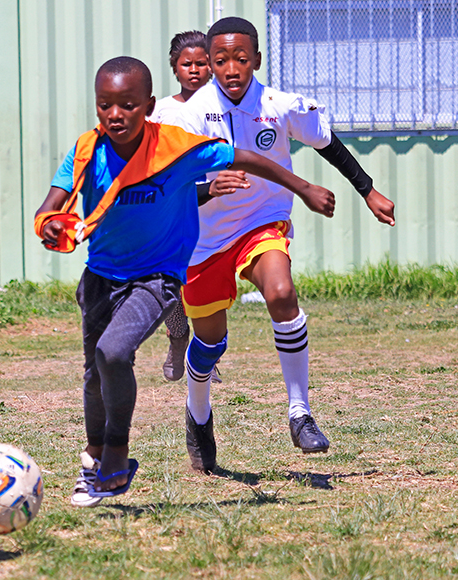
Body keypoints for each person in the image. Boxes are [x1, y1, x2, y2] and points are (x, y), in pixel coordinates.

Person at [34, 56, 335, 506]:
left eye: (128, 105)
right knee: (95, 372)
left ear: (149, 105)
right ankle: (95, 459)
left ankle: (117, 454)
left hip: (156, 277)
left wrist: (303, 188)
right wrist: (49, 223)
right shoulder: (86, 151)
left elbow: (247, 157)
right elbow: (53, 202)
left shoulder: (175, 148)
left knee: (112, 352)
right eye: (104, 105)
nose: (115, 115)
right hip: (100, 277)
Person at [172, 17, 396, 472]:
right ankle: (198, 415)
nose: (231, 68)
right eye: (220, 61)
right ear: (210, 65)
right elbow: (169, 185)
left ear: (256, 58)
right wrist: (207, 190)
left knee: (280, 292)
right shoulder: (190, 115)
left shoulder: (279, 105)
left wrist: (367, 189)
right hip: (203, 239)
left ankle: (300, 414)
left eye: (240, 58)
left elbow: (327, 142)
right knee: (209, 342)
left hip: (262, 223)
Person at [147, 30, 219, 383]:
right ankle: (178, 339)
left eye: (201, 63)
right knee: (171, 282)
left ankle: (207, 351)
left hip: (216, 209)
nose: (194, 70)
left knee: (208, 282)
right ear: (174, 68)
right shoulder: (162, 111)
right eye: (186, 64)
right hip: (173, 208)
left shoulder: (224, 107)